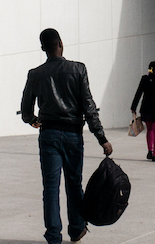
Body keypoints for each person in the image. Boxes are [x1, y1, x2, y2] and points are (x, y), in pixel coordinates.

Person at [21, 28, 112, 244]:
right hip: (73, 135)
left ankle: (53, 236)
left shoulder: (35, 74)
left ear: (43, 48)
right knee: (74, 184)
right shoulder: (78, 69)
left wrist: (33, 119)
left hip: (49, 135)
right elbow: (89, 107)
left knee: (50, 187)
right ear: (61, 43)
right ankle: (77, 229)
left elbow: (25, 110)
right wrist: (102, 138)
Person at [130, 60, 155, 162]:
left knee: (150, 130)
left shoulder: (145, 79)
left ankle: (149, 151)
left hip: (146, 110)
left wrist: (133, 107)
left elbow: (138, 93)